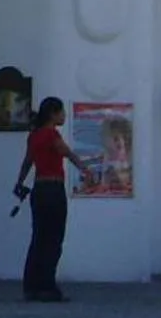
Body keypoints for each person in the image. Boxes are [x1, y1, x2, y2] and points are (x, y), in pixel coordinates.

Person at [14, 95, 98, 302]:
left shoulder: (34, 136)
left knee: (38, 238)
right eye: (61, 112)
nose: (64, 116)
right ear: (53, 114)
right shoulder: (52, 135)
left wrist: (19, 182)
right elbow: (68, 153)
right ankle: (47, 286)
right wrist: (86, 170)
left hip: (38, 188)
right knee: (53, 239)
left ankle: (31, 285)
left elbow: (27, 162)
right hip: (53, 189)